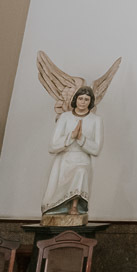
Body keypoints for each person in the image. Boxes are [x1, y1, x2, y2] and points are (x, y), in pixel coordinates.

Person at [41, 87, 103, 219]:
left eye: (87, 99)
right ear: (75, 99)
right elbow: (52, 146)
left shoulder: (96, 120)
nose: (83, 102)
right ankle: (58, 206)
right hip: (64, 159)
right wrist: (71, 136)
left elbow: (96, 149)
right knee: (55, 193)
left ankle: (74, 206)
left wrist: (81, 138)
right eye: (80, 98)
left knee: (81, 172)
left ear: (91, 102)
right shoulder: (65, 117)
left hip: (82, 158)